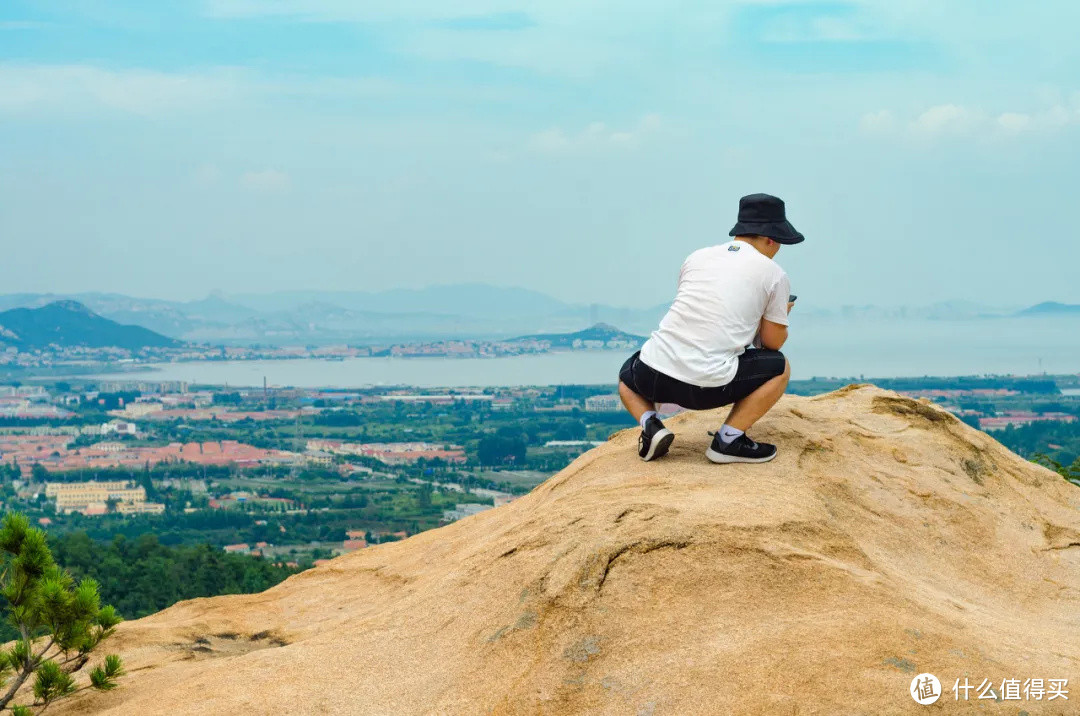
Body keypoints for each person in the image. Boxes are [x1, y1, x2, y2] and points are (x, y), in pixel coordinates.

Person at [618, 193, 802, 464]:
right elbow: (772, 344)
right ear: (770, 239)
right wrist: (779, 315)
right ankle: (728, 440)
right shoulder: (774, 273)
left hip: (653, 376)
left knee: (627, 374)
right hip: (707, 388)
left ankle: (651, 426)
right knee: (780, 366)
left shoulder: (697, 257)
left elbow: (701, 317)